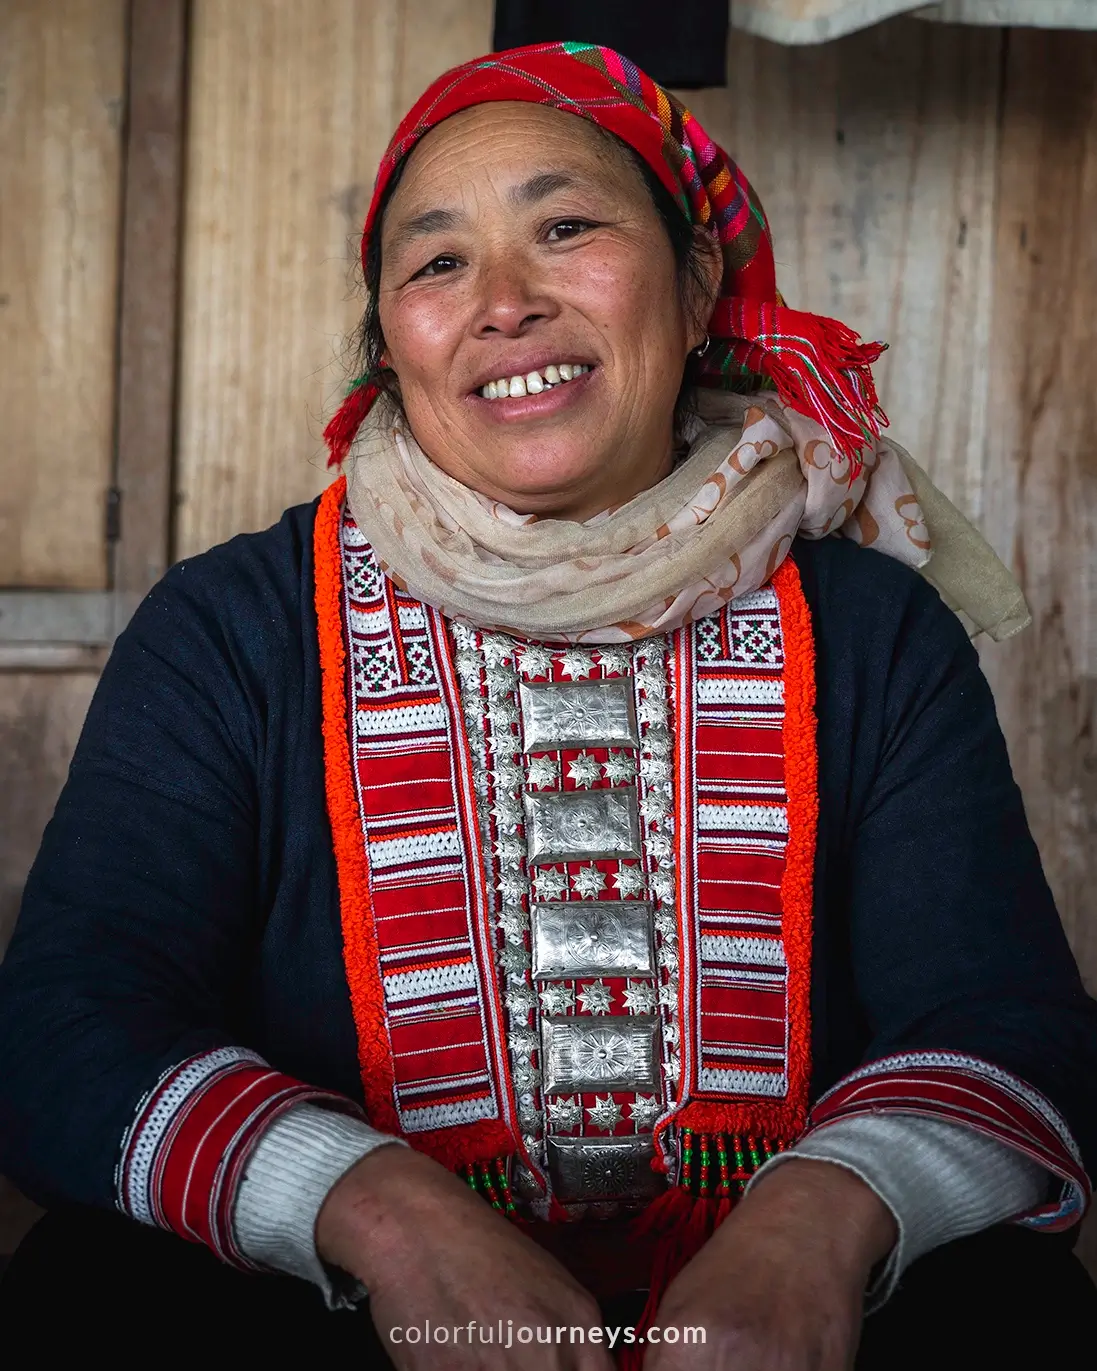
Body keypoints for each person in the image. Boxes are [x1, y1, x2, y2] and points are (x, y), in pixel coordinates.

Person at [0, 41, 1095, 1369]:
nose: (503, 303)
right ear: (393, 339)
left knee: (1015, 1316)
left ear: (698, 290)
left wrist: (820, 1216)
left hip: (783, 1327)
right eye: (438, 262)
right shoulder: (235, 631)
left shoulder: (871, 632)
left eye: (565, 227)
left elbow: (1004, 1018)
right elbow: (65, 1025)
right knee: (91, 1294)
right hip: (354, 1319)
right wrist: (388, 1219)